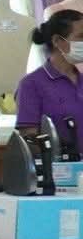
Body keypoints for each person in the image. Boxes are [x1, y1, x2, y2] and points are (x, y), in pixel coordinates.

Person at [16, 9, 83, 149]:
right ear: (57, 41)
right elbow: (29, 142)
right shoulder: (31, 85)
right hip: (59, 162)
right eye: (81, 36)